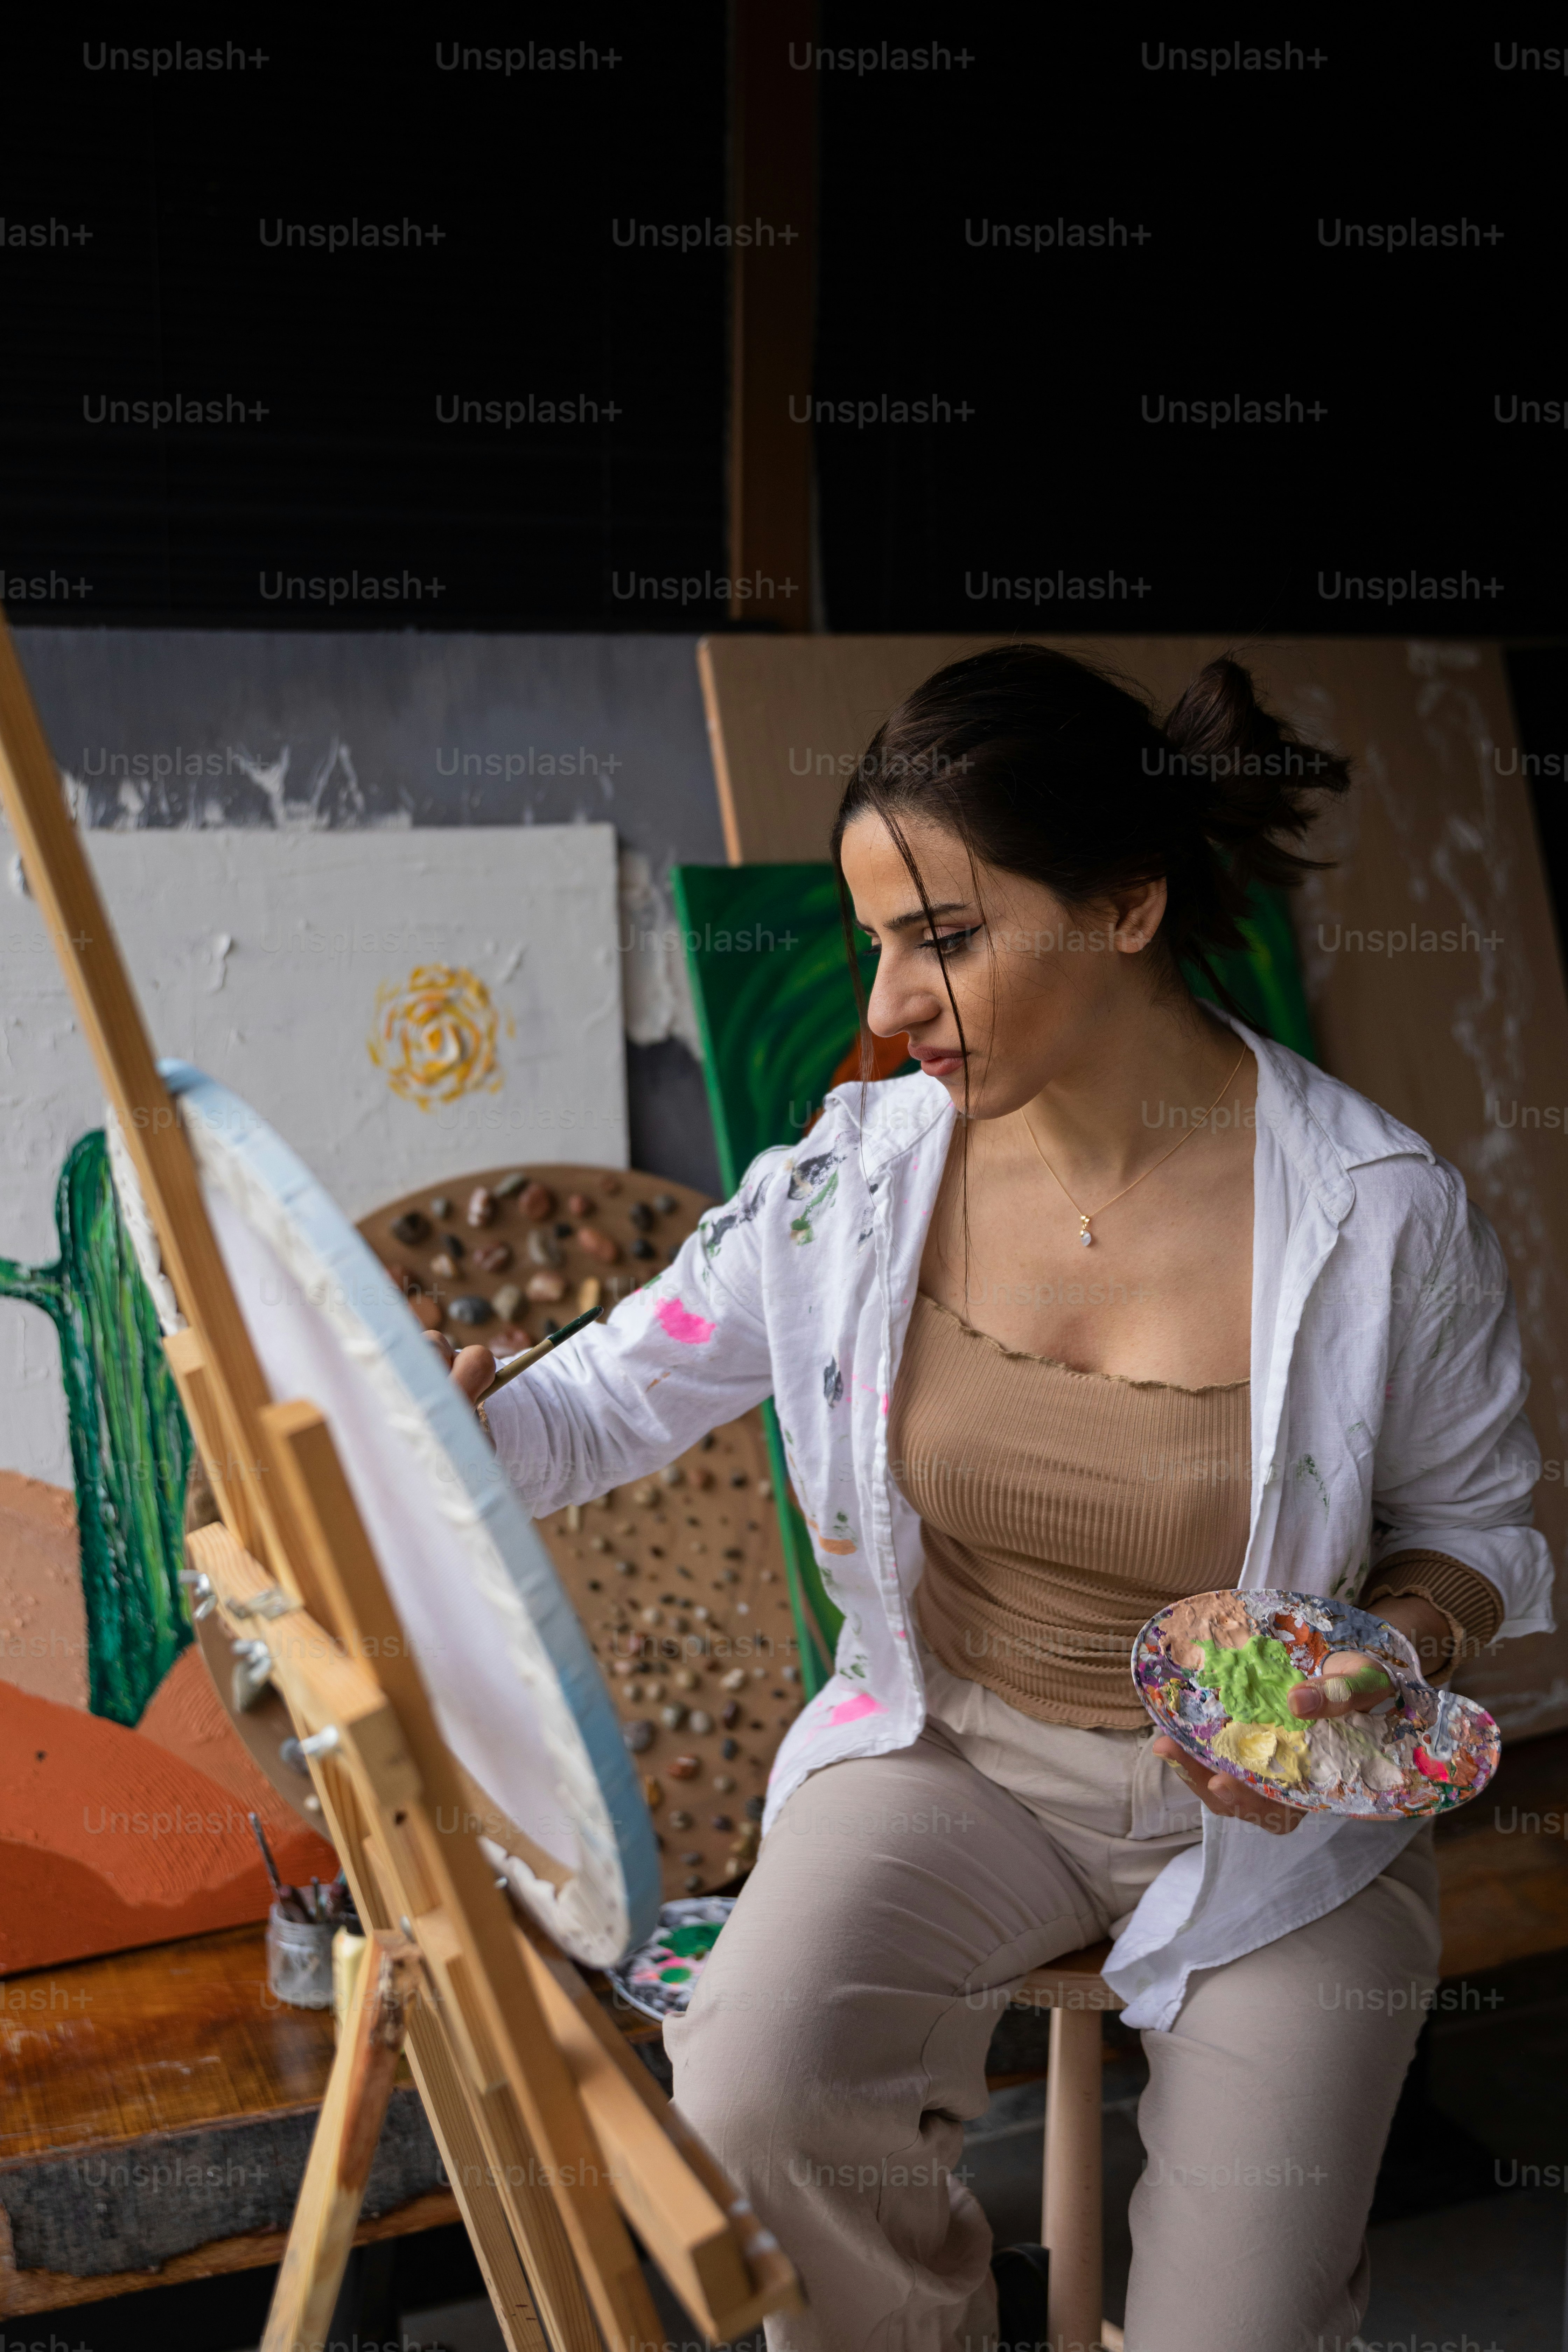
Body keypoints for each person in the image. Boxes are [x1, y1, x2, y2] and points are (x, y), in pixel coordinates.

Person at [440, 646, 1554, 2352]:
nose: (887, 1005)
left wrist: (1360, 1670)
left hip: (1286, 1835)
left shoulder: (1377, 1215)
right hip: (959, 1750)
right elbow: (602, 1401)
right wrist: (446, 1433)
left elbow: (1480, 1534)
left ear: (1123, 907)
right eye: (875, 940)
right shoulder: (849, 1187)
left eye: (943, 939)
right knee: (753, 2087)